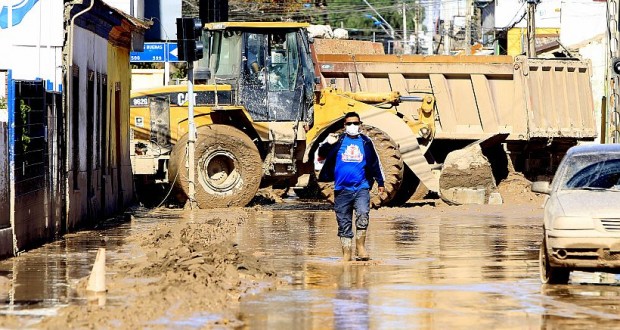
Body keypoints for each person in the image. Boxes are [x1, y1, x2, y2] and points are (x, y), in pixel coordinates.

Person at [317, 112, 385, 262]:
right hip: (341, 189)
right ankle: (346, 254)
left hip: (361, 187)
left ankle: (360, 249)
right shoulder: (338, 141)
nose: (352, 126)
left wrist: (380, 182)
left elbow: (375, 163)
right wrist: (328, 143)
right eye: (349, 124)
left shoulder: (366, 142)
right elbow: (320, 155)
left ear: (360, 124)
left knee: (362, 214)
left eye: (355, 123)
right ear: (344, 125)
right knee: (343, 221)